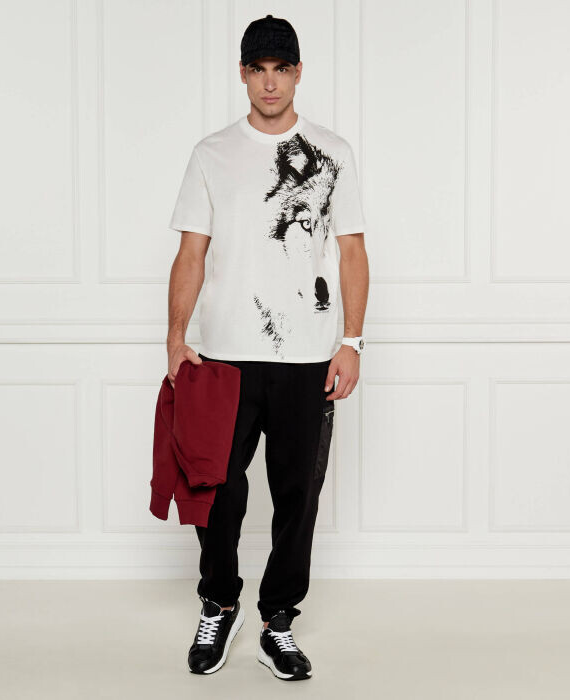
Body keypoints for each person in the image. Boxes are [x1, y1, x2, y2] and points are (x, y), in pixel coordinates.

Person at [166, 13, 369, 681]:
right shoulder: (212, 154)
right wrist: (176, 337)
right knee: (217, 492)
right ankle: (220, 602)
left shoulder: (333, 152)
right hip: (224, 356)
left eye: (282, 69)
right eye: (259, 70)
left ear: (298, 73)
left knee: (297, 498)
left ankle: (277, 620)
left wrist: (351, 341)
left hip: (308, 357)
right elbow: (191, 253)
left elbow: (351, 252)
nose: (271, 82)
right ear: (244, 74)